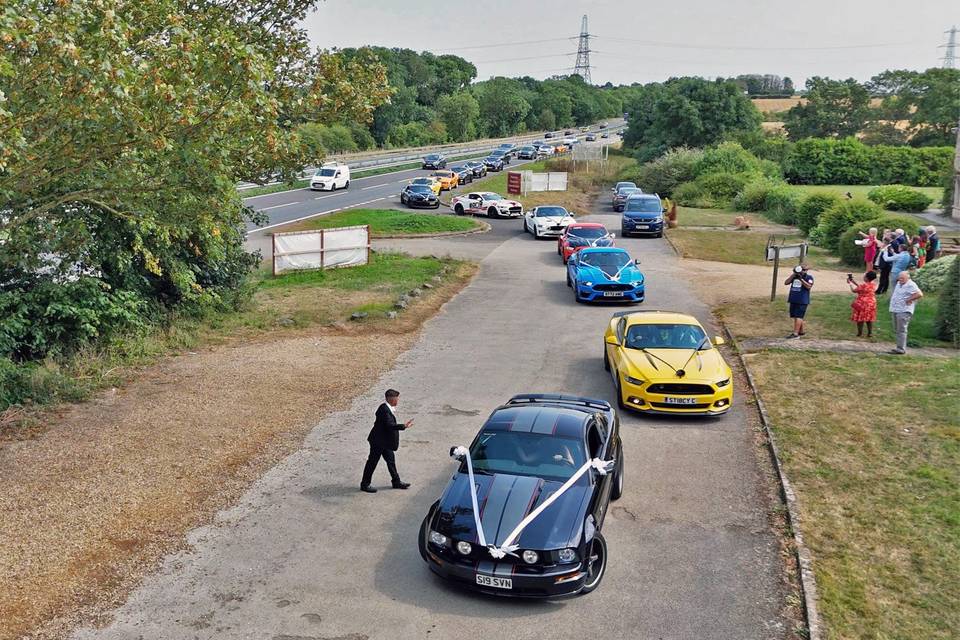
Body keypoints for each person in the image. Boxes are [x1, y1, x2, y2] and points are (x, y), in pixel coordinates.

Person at [360, 389, 413, 493]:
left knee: (391, 461)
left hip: (385, 442)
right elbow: (389, 425)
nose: (398, 400)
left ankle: (396, 481)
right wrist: (403, 426)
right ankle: (365, 484)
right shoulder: (384, 410)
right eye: (396, 398)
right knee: (372, 462)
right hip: (378, 442)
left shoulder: (387, 408)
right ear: (391, 399)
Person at [888, 272, 923, 355]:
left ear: (908, 278)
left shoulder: (911, 284)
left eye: (902, 278)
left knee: (901, 329)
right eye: (899, 278)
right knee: (897, 329)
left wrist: (909, 299)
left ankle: (901, 349)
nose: (900, 280)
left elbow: (919, 294)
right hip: (896, 309)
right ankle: (899, 347)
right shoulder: (899, 283)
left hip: (904, 310)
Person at [784, 264, 814, 339]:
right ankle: (801, 331)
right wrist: (793, 275)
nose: (803, 271)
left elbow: (808, 286)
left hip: (802, 300)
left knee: (799, 316)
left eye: (804, 270)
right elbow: (786, 282)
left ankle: (795, 334)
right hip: (793, 299)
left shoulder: (809, 277)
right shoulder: (794, 277)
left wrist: (801, 279)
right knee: (795, 316)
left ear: (807, 270)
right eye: (802, 269)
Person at [848, 271, 878, 338]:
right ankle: (870, 333)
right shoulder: (873, 284)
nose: (863, 277)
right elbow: (862, 287)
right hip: (871, 303)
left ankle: (859, 333)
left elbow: (854, 290)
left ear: (866, 278)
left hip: (862, 303)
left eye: (864, 276)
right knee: (869, 318)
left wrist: (850, 283)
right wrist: (853, 281)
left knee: (860, 318)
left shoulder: (863, 285)